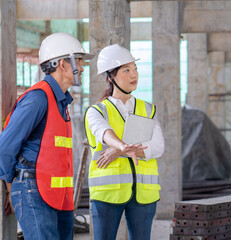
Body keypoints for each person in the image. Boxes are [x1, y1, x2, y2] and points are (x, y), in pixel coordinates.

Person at [0, 32, 93, 239]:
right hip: (34, 192)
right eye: (78, 60)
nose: (83, 67)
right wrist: (10, 186)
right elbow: (5, 147)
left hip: (58, 196)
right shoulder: (38, 99)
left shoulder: (61, 101)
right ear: (62, 64)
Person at [84, 44, 165, 240]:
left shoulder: (147, 109)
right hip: (107, 194)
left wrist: (118, 151)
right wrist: (122, 146)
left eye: (135, 69)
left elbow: (158, 147)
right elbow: (104, 132)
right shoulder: (97, 111)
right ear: (110, 76)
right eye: (126, 70)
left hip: (144, 194)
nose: (133, 75)